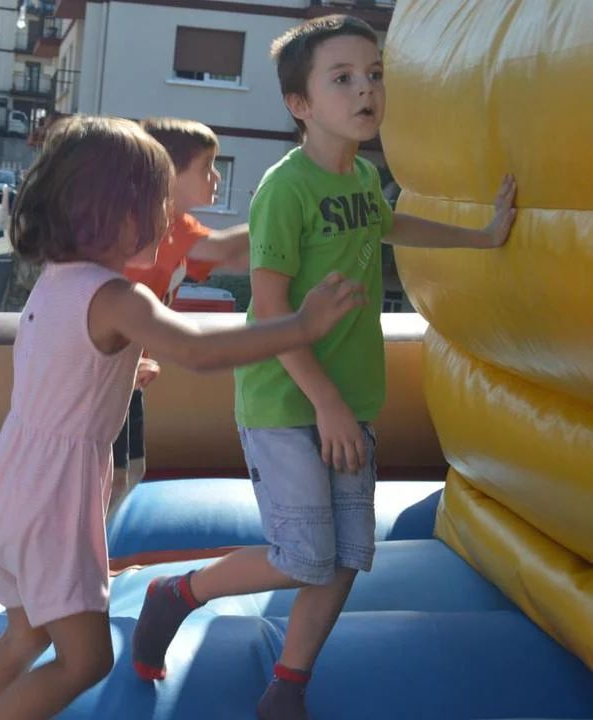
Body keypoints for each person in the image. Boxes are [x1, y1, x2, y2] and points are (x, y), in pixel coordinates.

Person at [130, 15, 517, 720]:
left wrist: (482, 236)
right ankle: (177, 593)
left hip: (350, 398)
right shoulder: (286, 188)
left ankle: (288, 685)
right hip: (287, 401)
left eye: (374, 74)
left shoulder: (364, 177)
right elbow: (272, 311)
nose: (365, 89)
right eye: (342, 78)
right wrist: (326, 404)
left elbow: (389, 224)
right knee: (303, 556)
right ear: (299, 104)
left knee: (345, 557)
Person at [0, 114, 365, 720]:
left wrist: (119, 376)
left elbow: (59, 366)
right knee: (86, 661)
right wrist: (302, 326)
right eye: (157, 203)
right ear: (114, 211)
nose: (167, 218)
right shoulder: (118, 296)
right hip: (54, 497)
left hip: (12, 481)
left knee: (26, 637)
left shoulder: (56, 282)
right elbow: (199, 351)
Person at [111, 117, 253, 514]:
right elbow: (224, 250)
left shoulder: (178, 225)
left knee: (130, 472)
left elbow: (235, 260)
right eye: (207, 167)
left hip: (128, 373)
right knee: (110, 477)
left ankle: (102, 546)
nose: (216, 177)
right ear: (168, 172)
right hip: (107, 372)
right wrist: (279, 210)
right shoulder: (150, 225)